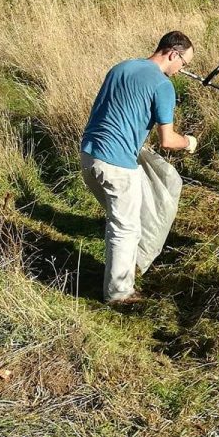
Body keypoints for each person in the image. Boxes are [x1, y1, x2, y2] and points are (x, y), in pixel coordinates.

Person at [80, 31, 198, 305]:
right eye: (184, 63)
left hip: (89, 155)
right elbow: (167, 141)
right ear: (173, 53)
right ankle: (119, 293)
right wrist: (189, 142)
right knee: (125, 227)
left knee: (120, 219)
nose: (182, 70)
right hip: (116, 163)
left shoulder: (121, 67)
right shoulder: (162, 85)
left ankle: (125, 268)